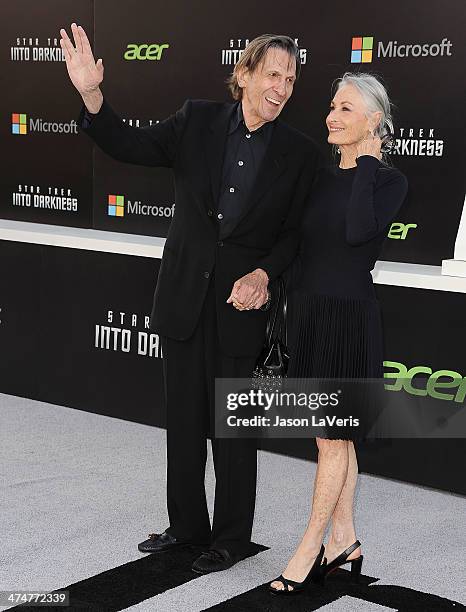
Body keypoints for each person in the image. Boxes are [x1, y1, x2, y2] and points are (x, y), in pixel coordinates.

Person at [60, 24, 322, 574]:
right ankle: (186, 528)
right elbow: (128, 145)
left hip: (241, 305)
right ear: (245, 74)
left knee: (233, 430)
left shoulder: (298, 153)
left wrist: (263, 274)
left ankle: (230, 537)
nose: (282, 88)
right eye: (273, 74)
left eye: (291, 80)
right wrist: (91, 94)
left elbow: (296, 234)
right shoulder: (196, 120)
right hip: (183, 296)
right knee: (183, 422)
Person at [269, 72, 408, 595]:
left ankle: (308, 547)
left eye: (346, 108)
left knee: (331, 438)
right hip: (309, 315)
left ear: (374, 120)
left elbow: (356, 233)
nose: (331, 115)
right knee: (334, 435)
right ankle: (345, 539)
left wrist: (367, 161)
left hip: (350, 320)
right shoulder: (318, 177)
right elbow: (302, 245)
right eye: (332, 106)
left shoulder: (390, 182)